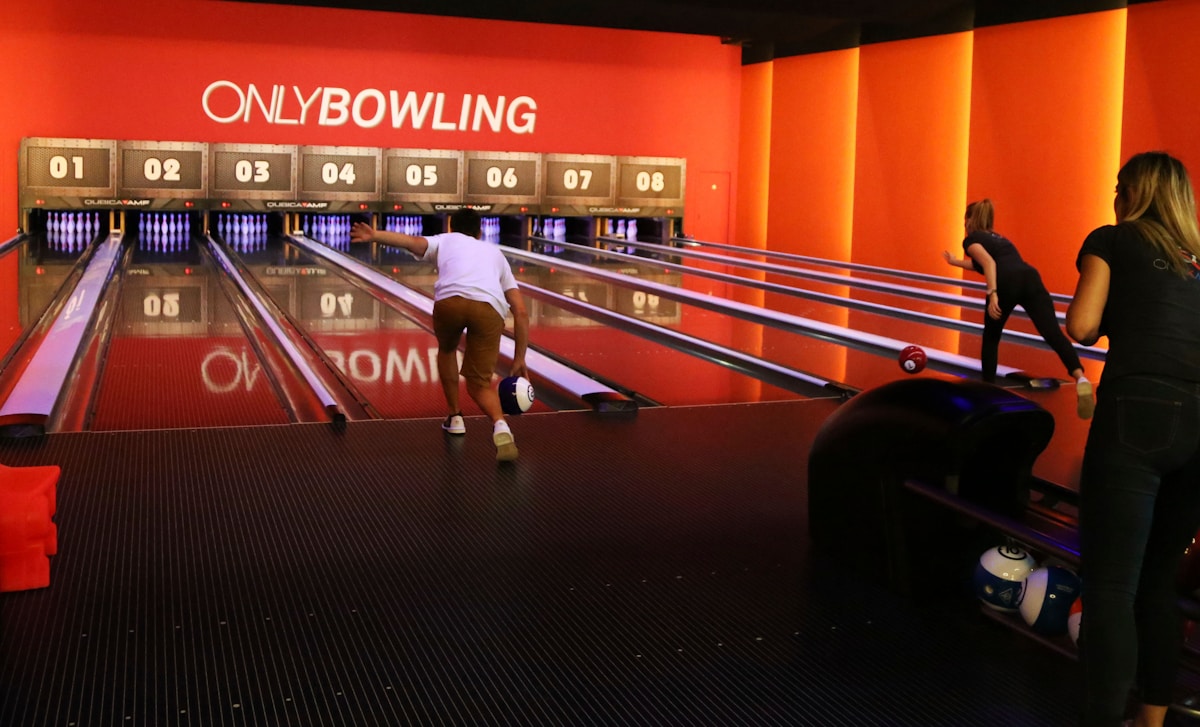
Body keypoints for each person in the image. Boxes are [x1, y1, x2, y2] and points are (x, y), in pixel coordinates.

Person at [1067, 151, 1200, 727]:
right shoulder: (1198, 259)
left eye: (1119, 185)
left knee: (1111, 587)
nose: (1114, 195)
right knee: (1158, 582)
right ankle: (1151, 721)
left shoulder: (1112, 239)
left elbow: (1081, 325)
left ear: (1133, 193)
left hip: (1140, 411)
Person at [349, 208, 530, 462]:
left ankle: (455, 417)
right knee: (479, 385)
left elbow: (411, 242)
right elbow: (521, 312)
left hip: (450, 302)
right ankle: (501, 426)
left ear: (450, 227)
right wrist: (520, 357)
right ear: (480, 232)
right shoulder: (496, 254)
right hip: (489, 310)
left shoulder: (445, 240)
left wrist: (375, 235)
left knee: (447, 349)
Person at [943, 199, 1094, 418]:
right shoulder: (999, 239)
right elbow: (981, 264)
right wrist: (955, 262)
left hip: (1006, 282)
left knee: (991, 336)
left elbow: (989, 264)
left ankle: (988, 388)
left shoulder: (971, 240)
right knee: (1052, 332)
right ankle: (1080, 376)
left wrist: (992, 293)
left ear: (970, 220)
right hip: (1030, 277)